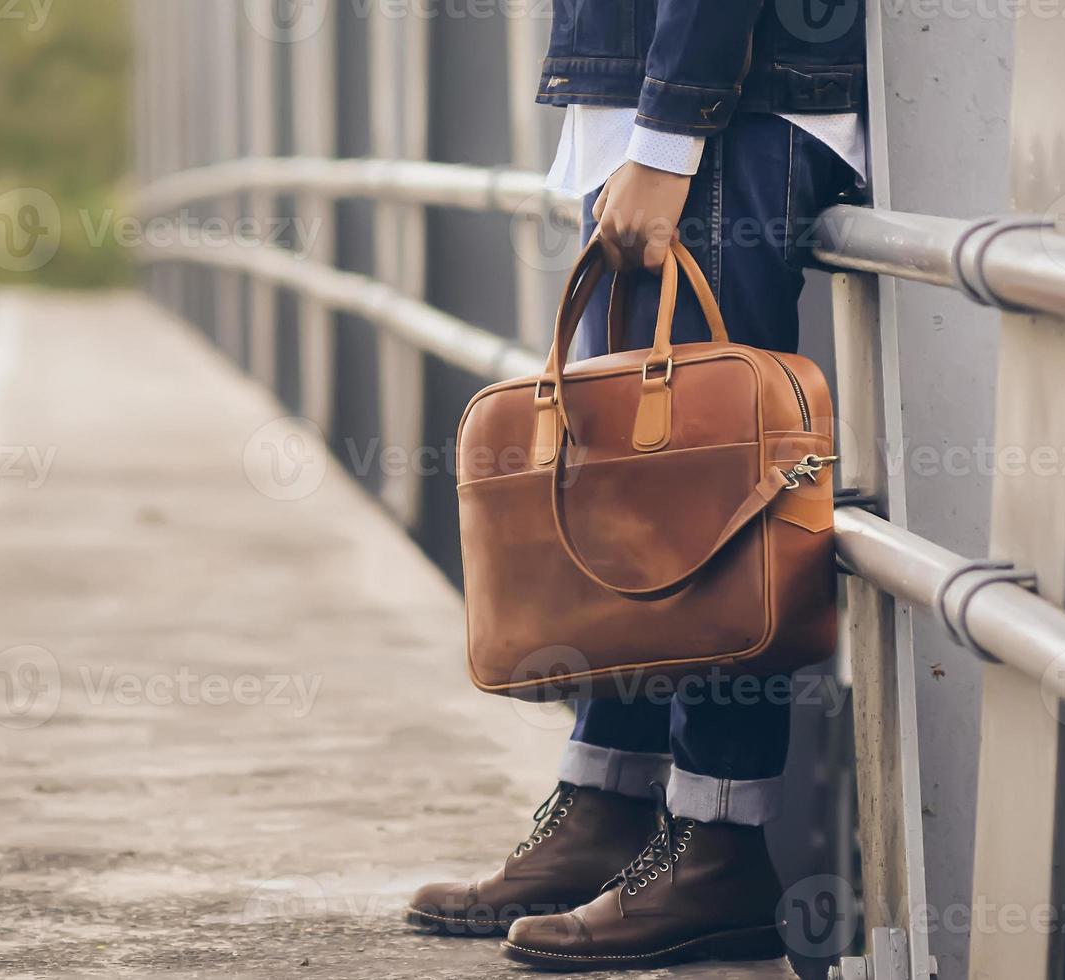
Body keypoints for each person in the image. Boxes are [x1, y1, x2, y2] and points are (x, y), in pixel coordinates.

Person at [408, 0, 867, 969]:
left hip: (727, 106)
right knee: (627, 490)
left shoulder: (692, 127)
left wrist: (668, 134)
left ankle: (717, 837)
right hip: (656, 103)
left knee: (706, 497)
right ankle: (610, 795)